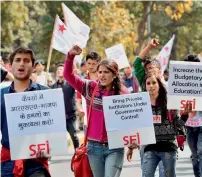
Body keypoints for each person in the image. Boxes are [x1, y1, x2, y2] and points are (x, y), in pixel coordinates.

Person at [64, 45, 128, 177]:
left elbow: (131, 120)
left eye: (106, 72)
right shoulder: (90, 87)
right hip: (93, 148)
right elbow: (68, 75)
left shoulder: (123, 93)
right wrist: (70, 56)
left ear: (115, 74)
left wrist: (133, 140)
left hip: (115, 147)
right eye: (100, 72)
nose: (102, 75)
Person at [127, 73, 191, 177]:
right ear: (145, 86)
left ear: (159, 85)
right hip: (149, 148)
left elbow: (177, 126)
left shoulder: (170, 102)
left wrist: (184, 115)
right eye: (148, 83)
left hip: (168, 149)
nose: (151, 86)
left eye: (154, 83)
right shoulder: (140, 104)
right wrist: (130, 147)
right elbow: (137, 127)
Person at [1, 47, 50, 177]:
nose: (22, 63)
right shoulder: (1, 95)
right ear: (10, 66)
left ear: (33, 66)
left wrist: (50, 147)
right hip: (9, 163)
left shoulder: (46, 94)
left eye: (26, 60)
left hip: (36, 162)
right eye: (17, 60)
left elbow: (53, 128)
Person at [133, 39, 167, 176]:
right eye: (147, 69)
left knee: (165, 171)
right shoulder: (144, 83)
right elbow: (136, 63)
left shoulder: (168, 86)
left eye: (153, 68)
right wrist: (149, 46)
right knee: (147, 170)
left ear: (159, 70)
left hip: (165, 134)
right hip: (146, 132)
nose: (150, 71)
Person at [51, 63, 79, 150]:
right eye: (58, 69)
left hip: (70, 115)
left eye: (61, 69)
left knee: (73, 135)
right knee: (54, 137)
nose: (59, 71)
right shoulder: (52, 87)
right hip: (58, 117)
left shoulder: (70, 84)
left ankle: (78, 153)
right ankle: (49, 156)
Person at [183, 54, 202, 177]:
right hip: (189, 127)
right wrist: (184, 111)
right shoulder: (180, 84)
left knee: (201, 152)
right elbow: (179, 111)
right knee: (195, 156)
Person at [76, 52, 101, 131]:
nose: (91, 66)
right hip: (88, 122)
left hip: (104, 121)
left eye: (94, 64)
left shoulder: (104, 79)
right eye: (89, 63)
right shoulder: (82, 82)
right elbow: (78, 101)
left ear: (98, 64)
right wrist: (80, 109)